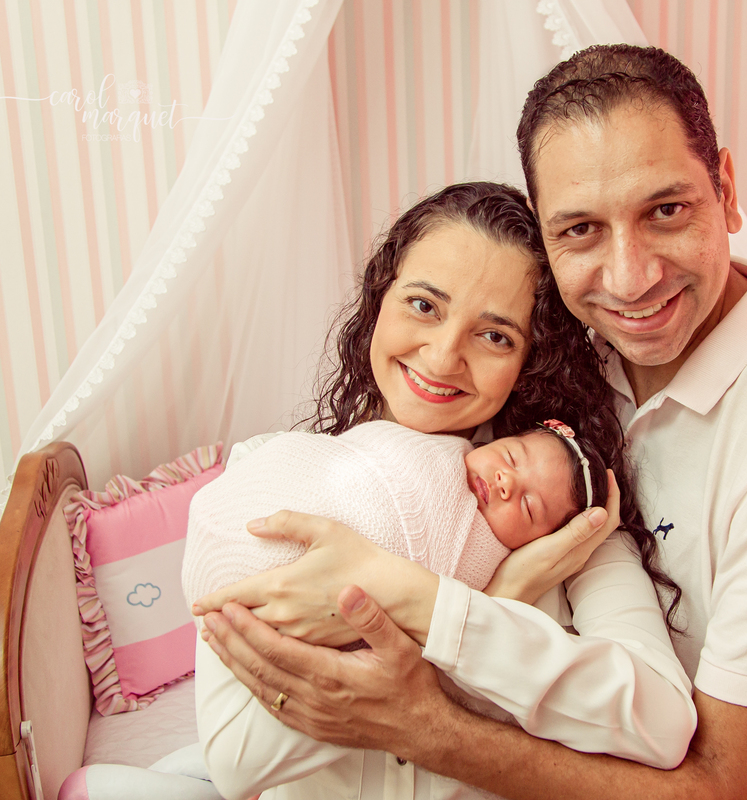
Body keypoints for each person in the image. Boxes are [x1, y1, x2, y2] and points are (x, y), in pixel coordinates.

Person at [197, 46, 747, 800]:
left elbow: (719, 784)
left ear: (725, 190)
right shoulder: (563, 391)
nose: (630, 278)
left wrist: (426, 692)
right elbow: (243, 754)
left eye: (666, 210)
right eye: (581, 229)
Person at [191, 180, 695, 800]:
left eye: (495, 336)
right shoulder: (272, 473)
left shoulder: (560, 512)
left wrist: (449, 607)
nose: (443, 355)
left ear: (532, 359)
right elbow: (236, 762)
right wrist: (498, 596)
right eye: (425, 305)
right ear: (382, 298)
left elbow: (662, 723)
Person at [183, 419, 612, 613]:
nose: (504, 482)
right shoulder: (439, 448)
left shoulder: (489, 558)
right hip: (253, 507)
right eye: (510, 456)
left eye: (528, 506)